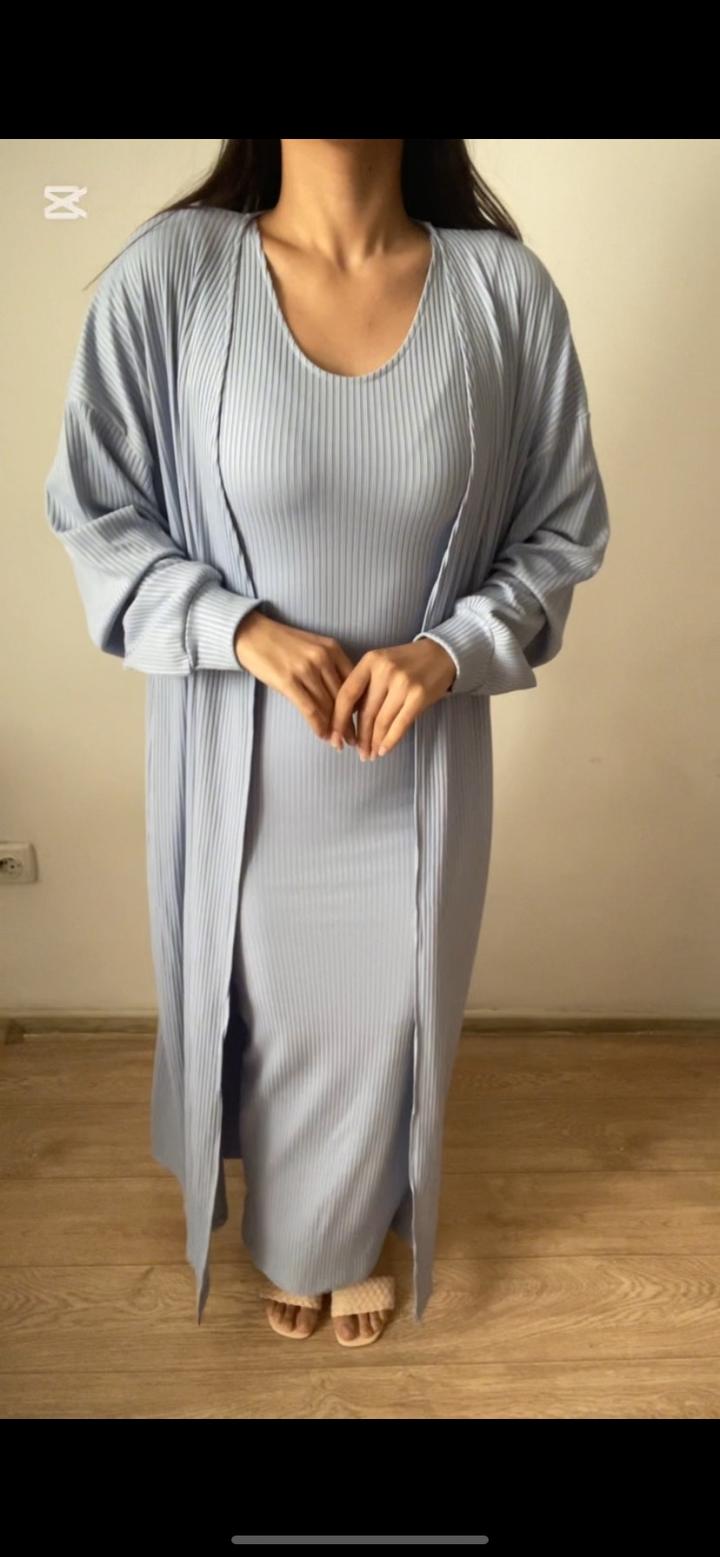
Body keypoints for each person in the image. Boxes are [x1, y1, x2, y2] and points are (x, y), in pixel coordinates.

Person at [44, 139, 610, 1350]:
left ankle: (338, 1233)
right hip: (239, 762)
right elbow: (94, 507)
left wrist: (450, 649)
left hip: (416, 766)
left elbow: (561, 528)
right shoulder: (174, 274)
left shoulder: (503, 292)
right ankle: (300, 1224)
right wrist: (237, 627)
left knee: (389, 1010)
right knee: (257, 1006)